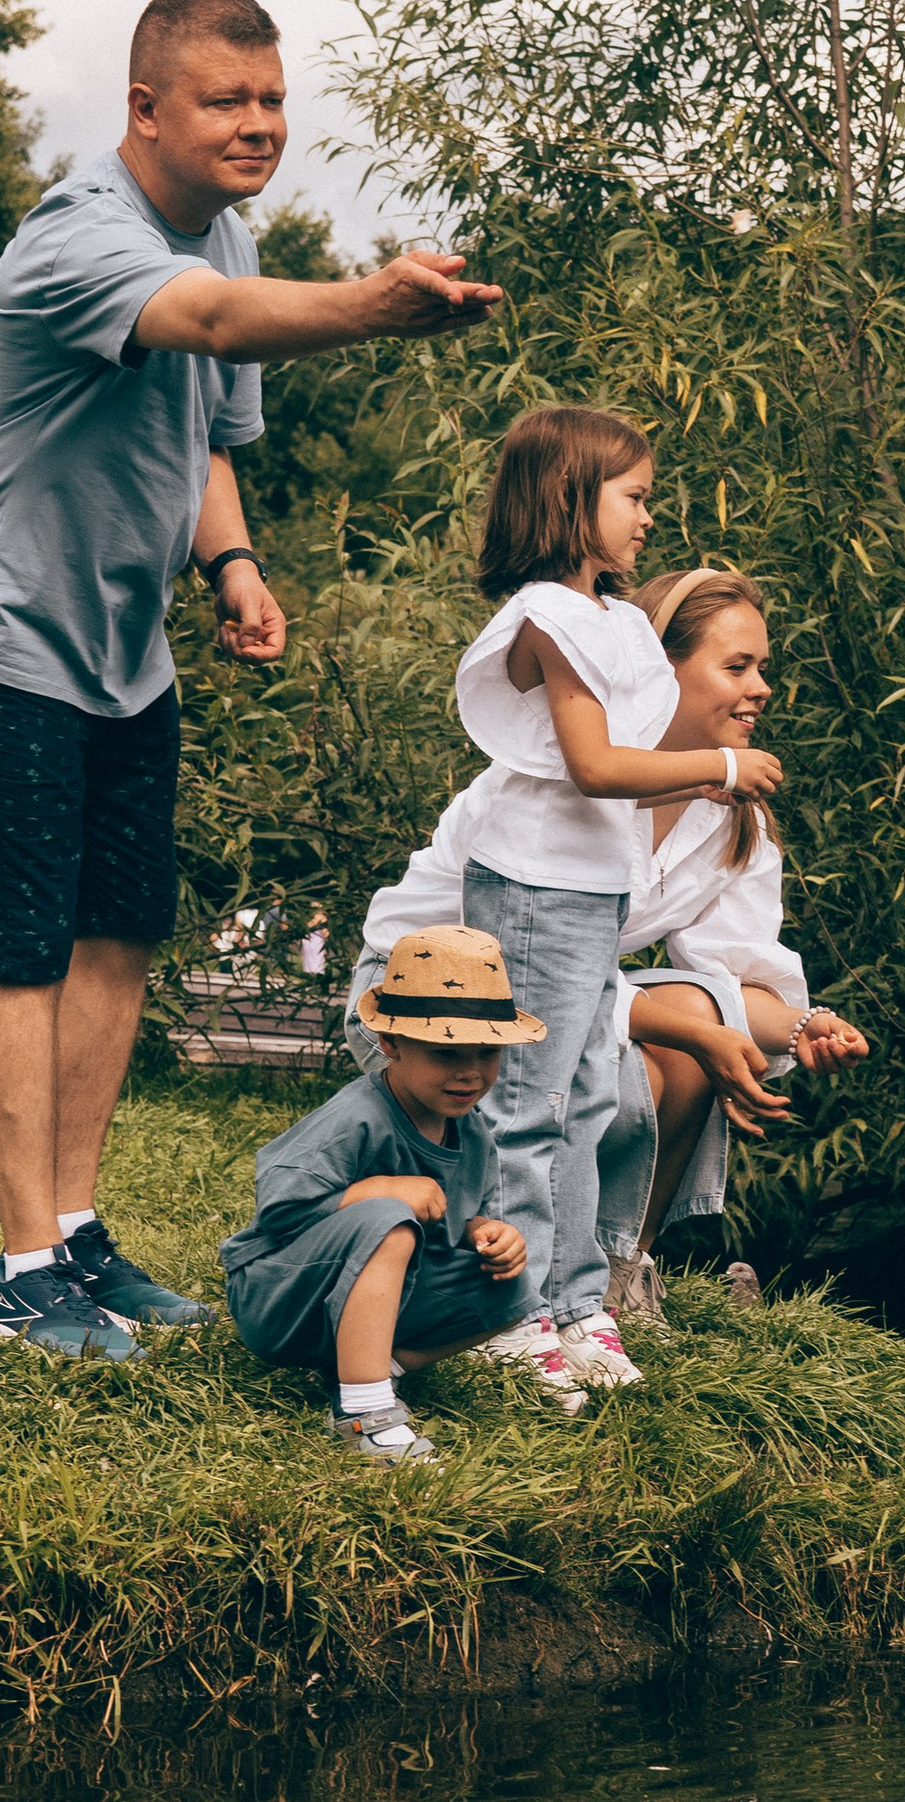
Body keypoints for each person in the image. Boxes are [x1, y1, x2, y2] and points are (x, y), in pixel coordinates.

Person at [0, 0, 500, 1366]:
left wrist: (231, 564)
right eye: (227, 99)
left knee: (120, 933)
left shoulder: (216, 227)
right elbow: (219, 326)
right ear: (145, 109)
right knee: (21, 948)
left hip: (120, 652)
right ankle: (20, 1268)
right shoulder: (77, 238)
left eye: (274, 97)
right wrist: (370, 303)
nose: (259, 124)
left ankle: (79, 1232)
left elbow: (206, 428)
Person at [348, 569, 866, 1324]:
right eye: (736, 667)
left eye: (763, 669)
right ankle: (506, 1295)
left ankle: (620, 1274)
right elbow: (519, 968)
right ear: (661, 670)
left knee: (691, 1019)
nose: (760, 689)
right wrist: (695, 1030)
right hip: (430, 1008)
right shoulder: (554, 788)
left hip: (555, 1010)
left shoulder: (731, 822)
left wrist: (800, 1026)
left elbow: (731, 977)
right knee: (666, 1047)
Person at [446, 410, 782, 1415]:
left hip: (587, 895)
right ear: (568, 502)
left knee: (589, 1098)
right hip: (537, 890)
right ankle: (507, 1312)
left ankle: (574, 1297)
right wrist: (718, 767)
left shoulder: (608, 617)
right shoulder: (547, 618)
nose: (648, 514)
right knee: (528, 1101)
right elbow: (595, 767)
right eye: (631, 496)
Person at [220, 927, 538, 1463]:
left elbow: (443, 1222)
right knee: (388, 1218)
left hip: (362, 1304)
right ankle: (363, 1414)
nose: (469, 1072)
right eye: (445, 1053)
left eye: (488, 1052)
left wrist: (478, 1231)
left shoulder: (472, 1132)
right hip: (278, 1297)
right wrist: (375, 1190)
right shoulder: (356, 1118)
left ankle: (368, 1370)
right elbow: (279, 1209)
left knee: (512, 1286)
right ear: (389, 1044)